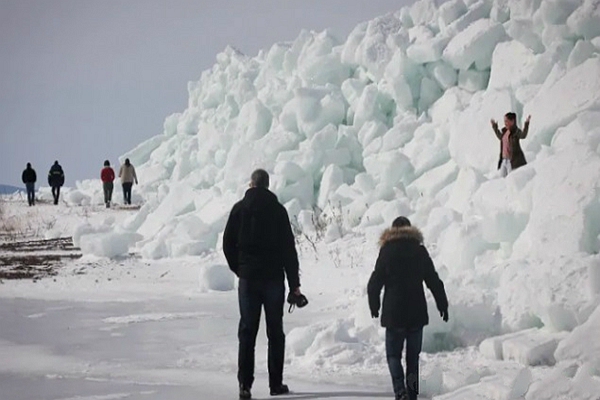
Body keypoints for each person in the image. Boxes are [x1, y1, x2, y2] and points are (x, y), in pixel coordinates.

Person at [223, 169, 302, 400]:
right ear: (267, 186)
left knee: (247, 331)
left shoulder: (239, 209)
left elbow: (227, 243)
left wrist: (240, 269)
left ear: (251, 184)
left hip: (248, 279)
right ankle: (276, 384)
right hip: (273, 280)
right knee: (275, 332)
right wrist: (294, 283)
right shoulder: (278, 211)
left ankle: (244, 385)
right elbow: (289, 250)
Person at [368, 217, 449, 400]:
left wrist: (374, 304)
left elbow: (374, 283)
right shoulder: (419, 251)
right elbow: (433, 280)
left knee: (393, 356)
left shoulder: (386, 251)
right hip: (416, 314)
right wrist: (442, 303)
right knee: (413, 360)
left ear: (393, 230)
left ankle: (400, 391)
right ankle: (412, 394)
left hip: (394, 314)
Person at [491, 113, 531, 177]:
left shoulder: (516, 132)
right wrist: (494, 126)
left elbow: (523, 135)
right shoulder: (505, 132)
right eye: (504, 121)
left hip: (512, 161)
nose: (505, 123)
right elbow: (500, 136)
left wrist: (526, 124)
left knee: (511, 178)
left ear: (512, 122)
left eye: (506, 121)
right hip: (504, 160)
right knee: (502, 179)